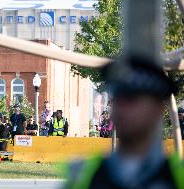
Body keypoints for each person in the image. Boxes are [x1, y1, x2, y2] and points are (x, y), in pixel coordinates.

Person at [65, 57, 182, 189]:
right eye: (117, 98)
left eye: (131, 98)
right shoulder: (83, 175)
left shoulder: (179, 177)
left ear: (157, 109)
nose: (121, 107)